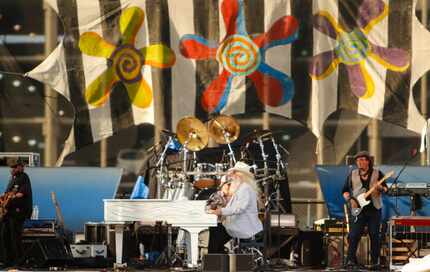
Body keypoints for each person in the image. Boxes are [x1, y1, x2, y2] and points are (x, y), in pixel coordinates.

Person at [342, 151, 388, 270]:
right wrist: (349, 199)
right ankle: (351, 261)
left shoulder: (378, 173)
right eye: (357, 160)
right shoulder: (352, 174)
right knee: (354, 235)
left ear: (368, 161)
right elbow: (345, 190)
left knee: (374, 235)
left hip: (374, 209)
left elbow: (386, 189)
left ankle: (375, 262)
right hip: (358, 209)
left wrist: (381, 188)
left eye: (362, 160)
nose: (359, 162)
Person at [207, 161, 263, 253]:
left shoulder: (245, 188)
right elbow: (234, 207)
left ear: (240, 175)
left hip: (245, 226)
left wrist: (220, 211)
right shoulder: (242, 188)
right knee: (216, 229)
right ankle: (218, 256)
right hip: (239, 224)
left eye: (234, 173)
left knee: (216, 230)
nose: (232, 176)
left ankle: (214, 258)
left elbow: (239, 208)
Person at [0, 158, 33, 267]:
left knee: (15, 237)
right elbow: (6, 194)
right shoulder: (12, 179)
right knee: (5, 235)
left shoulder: (24, 177)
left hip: (18, 212)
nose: (12, 169)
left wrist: (12, 196)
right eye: (12, 167)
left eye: (15, 167)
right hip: (9, 212)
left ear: (20, 167)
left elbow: (21, 193)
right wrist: (3, 199)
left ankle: (19, 262)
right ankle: (7, 261)